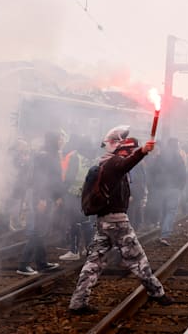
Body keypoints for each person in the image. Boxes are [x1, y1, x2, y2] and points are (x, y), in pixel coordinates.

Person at [68, 128, 172, 314]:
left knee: (94, 262)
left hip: (104, 222)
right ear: (120, 147)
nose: (129, 153)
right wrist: (143, 152)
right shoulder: (114, 163)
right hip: (117, 222)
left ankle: (78, 302)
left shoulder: (104, 162)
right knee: (138, 260)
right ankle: (157, 293)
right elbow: (126, 164)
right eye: (128, 150)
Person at [17, 131, 63, 276]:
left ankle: (42, 262)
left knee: (42, 231)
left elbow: (54, 178)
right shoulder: (44, 156)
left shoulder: (51, 154)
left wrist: (56, 196)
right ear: (53, 141)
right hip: (41, 197)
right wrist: (42, 199)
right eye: (59, 139)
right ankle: (23, 265)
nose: (61, 141)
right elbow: (40, 179)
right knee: (37, 232)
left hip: (48, 196)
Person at [59, 136, 96, 261]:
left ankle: (74, 250)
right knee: (86, 222)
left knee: (73, 222)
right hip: (88, 194)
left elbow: (69, 177)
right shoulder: (93, 158)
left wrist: (61, 193)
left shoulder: (76, 157)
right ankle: (89, 249)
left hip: (73, 194)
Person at [149, 138, 187, 246]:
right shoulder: (178, 157)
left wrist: (154, 184)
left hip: (161, 188)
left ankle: (161, 230)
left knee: (163, 209)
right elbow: (183, 174)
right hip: (174, 188)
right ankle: (164, 234)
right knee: (171, 211)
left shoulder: (160, 156)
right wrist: (181, 186)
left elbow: (152, 170)